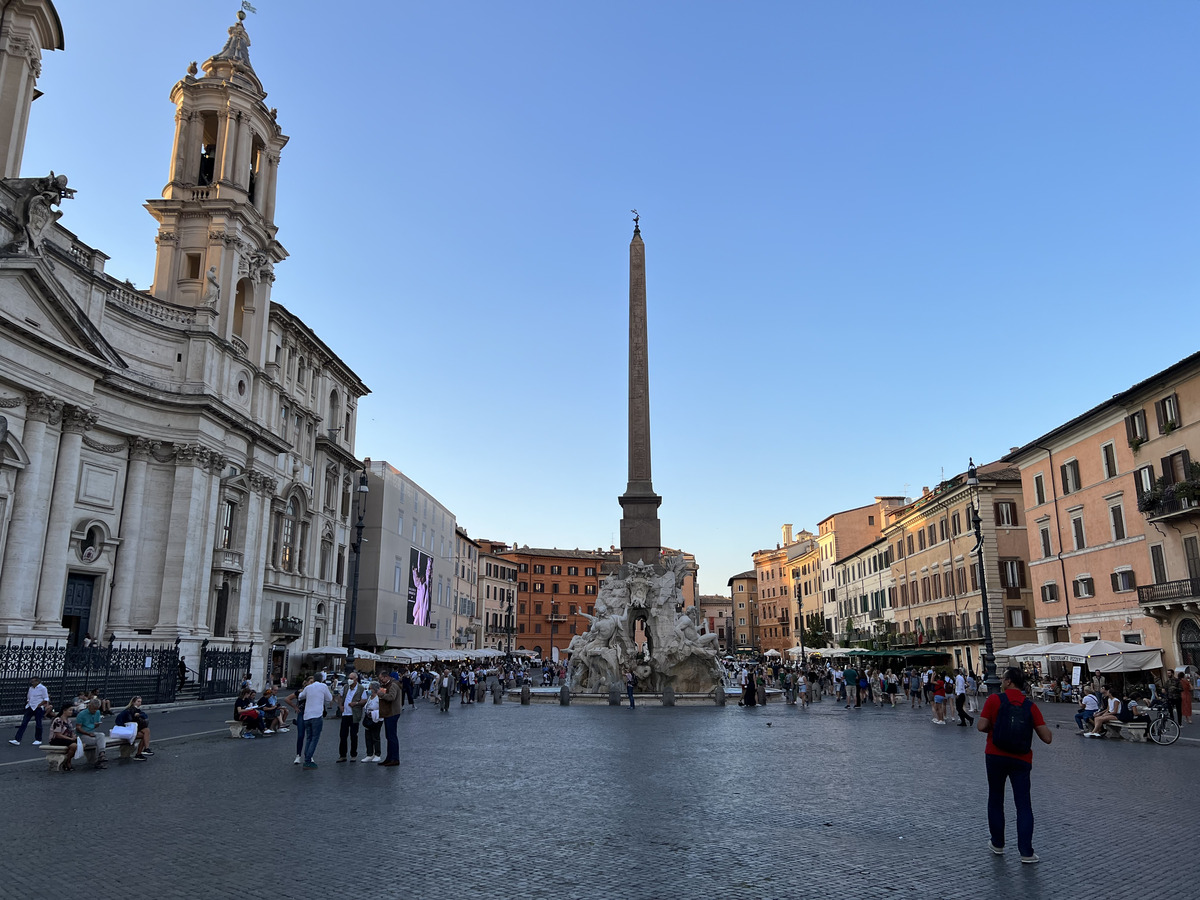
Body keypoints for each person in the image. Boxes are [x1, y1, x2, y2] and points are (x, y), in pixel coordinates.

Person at [977, 667, 1050, 862]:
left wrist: (998, 728)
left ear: (1009, 682)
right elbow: (1047, 738)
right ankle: (1026, 852)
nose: (1001, 681)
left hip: (995, 755)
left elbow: (981, 726)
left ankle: (998, 843)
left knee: (995, 799)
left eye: (1003, 678)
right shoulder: (1030, 706)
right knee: (1024, 804)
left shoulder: (994, 700)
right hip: (1021, 759)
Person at [298, 675, 332, 769]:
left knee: (309, 737)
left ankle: (306, 757)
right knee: (315, 738)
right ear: (322, 679)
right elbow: (329, 698)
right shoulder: (323, 686)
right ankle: (308, 759)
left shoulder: (308, 687)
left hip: (307, 715)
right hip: (317, 715)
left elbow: (300, 696)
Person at [10, 677, 51, 746]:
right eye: (31, 681)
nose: (32, 683)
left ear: (37, 681)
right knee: (24, 723)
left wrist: (39, 705)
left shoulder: (43, 688)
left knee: (38, 724)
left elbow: (46, 698)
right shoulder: (31, 688)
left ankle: (38, 739)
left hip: (38, 708)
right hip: (30, 707)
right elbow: (29, 697)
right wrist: (28, 703)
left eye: (33, 681)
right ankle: (17, 739)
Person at [335, 672, 366, 763]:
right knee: (343, 735)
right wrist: (340, 706)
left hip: (354, 715)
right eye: (349, 678)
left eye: (351, 678)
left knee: (353, 735)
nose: (350, 680)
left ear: (356, 679)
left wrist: (356, 703)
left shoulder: (360, 688)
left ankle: (353, 754)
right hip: (345, 714)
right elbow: (340, 696)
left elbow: (364, 700)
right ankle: (342, 755)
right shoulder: (345, 687)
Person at [376, 670, 402, 767]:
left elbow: (391, 697)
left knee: (392, 736)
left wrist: (381, 694)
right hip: (388, 713)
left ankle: (394, 758)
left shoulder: (393, 685)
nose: (381, 681)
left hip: (392, 712)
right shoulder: (388, 684)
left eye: (381, 679)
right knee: (389, 736)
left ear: (386, 677)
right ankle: (389, 757)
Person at [74, 698, 108, 769]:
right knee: (99, 741)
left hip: (91, 732)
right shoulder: (82, 714)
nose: (94, 711)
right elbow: (78, 728)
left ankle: (102, 754)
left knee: (101, 735)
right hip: (82, 734)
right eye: (93, 709)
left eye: (96, 709)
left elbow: (96, 724)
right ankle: (100, 758)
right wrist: (87, 733)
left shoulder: (97, 712)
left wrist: (97, 724)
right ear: (89, 706)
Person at [114, 696, 152, 760]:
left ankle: (145, 749)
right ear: (133, 702)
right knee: (145, 735)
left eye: (140, 702)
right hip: (128, 731)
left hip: (134, 730)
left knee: (146, 731)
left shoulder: (137, 710)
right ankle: (141, 752)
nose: (140, 703)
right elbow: (118, 719)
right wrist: (124, 726)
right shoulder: (128, 711)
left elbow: (145, 716)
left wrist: (139, 715)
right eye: (138, 701)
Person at [48, 702, 77, 772]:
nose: (71, 712)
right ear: (64, 710)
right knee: (74, 745)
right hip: (56, 739)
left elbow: (71, 732)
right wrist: (71, 739)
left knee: (82, 744)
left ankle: (67, 759)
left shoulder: (68, 721)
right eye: (70, 710)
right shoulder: (58, 720)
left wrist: (73, 736)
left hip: (66, 738)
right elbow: (58, 734)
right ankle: (68, 761)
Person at [361, 682, 382, 763]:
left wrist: (373, 713)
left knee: (375, 737)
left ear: (374, 689)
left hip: (376, 719)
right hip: (368, 719)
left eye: (370, 688)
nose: (368, 690)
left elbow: (382, 709)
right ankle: (369, 754)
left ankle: (377, 754)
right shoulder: (370, 697)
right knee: (368, 737)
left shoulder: (378, 698)